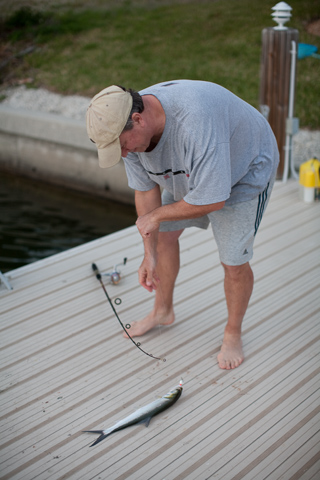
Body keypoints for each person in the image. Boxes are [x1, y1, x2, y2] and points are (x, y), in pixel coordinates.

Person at [86, 80, 279, 370]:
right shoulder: (126, 129)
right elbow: (145, 191)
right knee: (162, 237)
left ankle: (233, 332)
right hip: (191, 171)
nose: (124, 154)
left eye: (123, 146)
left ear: (138, 120)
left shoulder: (196, 122)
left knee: (233, 263)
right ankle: (163, 310)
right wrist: (148, 252)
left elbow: (212, 200)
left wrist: (157, 217)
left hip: (244, 173)